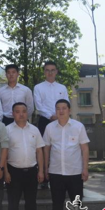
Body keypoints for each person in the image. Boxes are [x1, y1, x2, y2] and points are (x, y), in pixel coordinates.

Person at [44, 99, 90, 210]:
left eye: (64, 108)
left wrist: (85, 168)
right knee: (57, 203)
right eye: (58, 108)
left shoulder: (78, 126)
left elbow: (84, 148)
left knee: (77, 203)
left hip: (74, 172)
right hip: (56, 171)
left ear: (69, 110)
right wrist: (45, 168)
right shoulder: (50, 128)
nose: (61, 111)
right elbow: (46, 148)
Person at [5, 102, 45, 210]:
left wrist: (41, 171)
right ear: (13, 114)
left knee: (31, 202)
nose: (21, 114)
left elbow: (39, 151)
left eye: (23, 111)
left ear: (27, 113)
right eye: (17, 111)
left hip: (32, 171)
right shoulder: (7, 130)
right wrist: (5, 172)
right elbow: (4, 152)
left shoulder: (34, 130)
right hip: (13, 171)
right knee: (13, 202)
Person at [34, 61, 68, 189]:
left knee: (60, 147)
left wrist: (58, 116)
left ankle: (60, 176)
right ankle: (43, 178)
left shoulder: (62, 88)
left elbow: (66, 104)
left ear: (56, 72)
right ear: (44, 72)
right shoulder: (38, 87)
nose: (50, 72)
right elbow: (38, 106)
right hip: (44, 120)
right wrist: (51, 116)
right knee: (43, 149)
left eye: (52, 70)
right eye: (47, 70)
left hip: (61, 121)